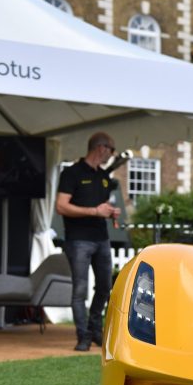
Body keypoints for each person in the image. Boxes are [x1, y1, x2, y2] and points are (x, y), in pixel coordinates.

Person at [55, 132, 121, 351]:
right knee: (80, 290)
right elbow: (61, 206)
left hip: (101, 239)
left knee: (104, 287)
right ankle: (82, 336)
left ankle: (94, 330)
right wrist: (94, 211)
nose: (112, 156)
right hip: (78, 240)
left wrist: (110, 212)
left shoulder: (103, 177)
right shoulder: (71, 173)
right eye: (111, 151)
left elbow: (100, 206)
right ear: (101, 148)